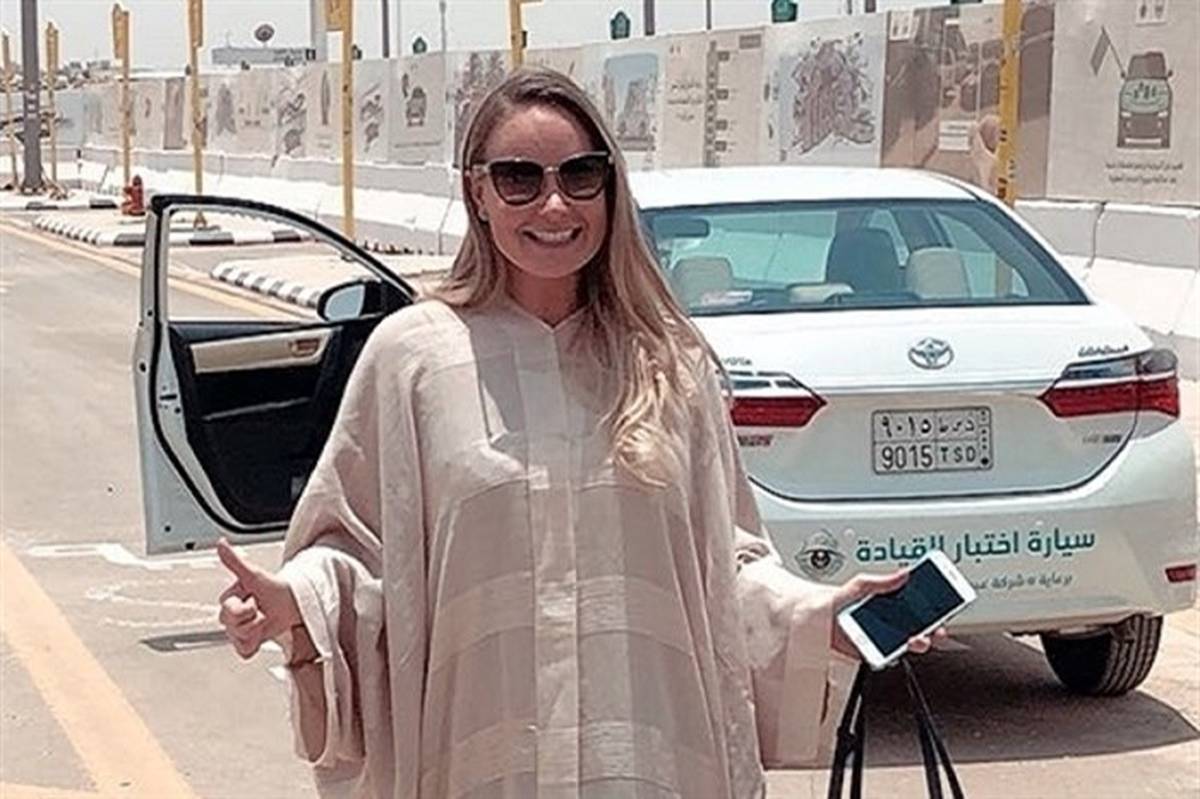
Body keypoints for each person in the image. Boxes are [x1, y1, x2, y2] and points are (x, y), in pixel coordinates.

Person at [216, 67, 933, 798]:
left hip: (647, 765)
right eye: (519, 179)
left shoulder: (667, 364)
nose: (554, 204)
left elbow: (725, 569)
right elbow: (357, 550)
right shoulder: (414, 361)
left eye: (580, 175)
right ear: (477, 193)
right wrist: (296, 603)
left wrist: (820, 618)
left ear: (610, 187)